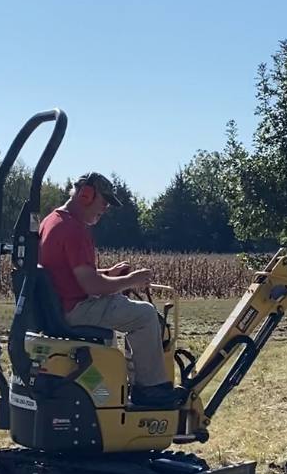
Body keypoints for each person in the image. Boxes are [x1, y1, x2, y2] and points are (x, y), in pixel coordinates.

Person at [38, 172, 185, 408]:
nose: (105, 209)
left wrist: (109, 273)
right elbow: (92, 286)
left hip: (63, 306)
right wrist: (131, 280)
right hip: (76, 309)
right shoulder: (74, 231)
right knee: (145, 315)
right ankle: (149, 389)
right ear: (86, 195)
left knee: (124, 310)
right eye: (103, 202)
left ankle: (123, 386)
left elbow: (72, 273)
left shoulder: (52, 221)